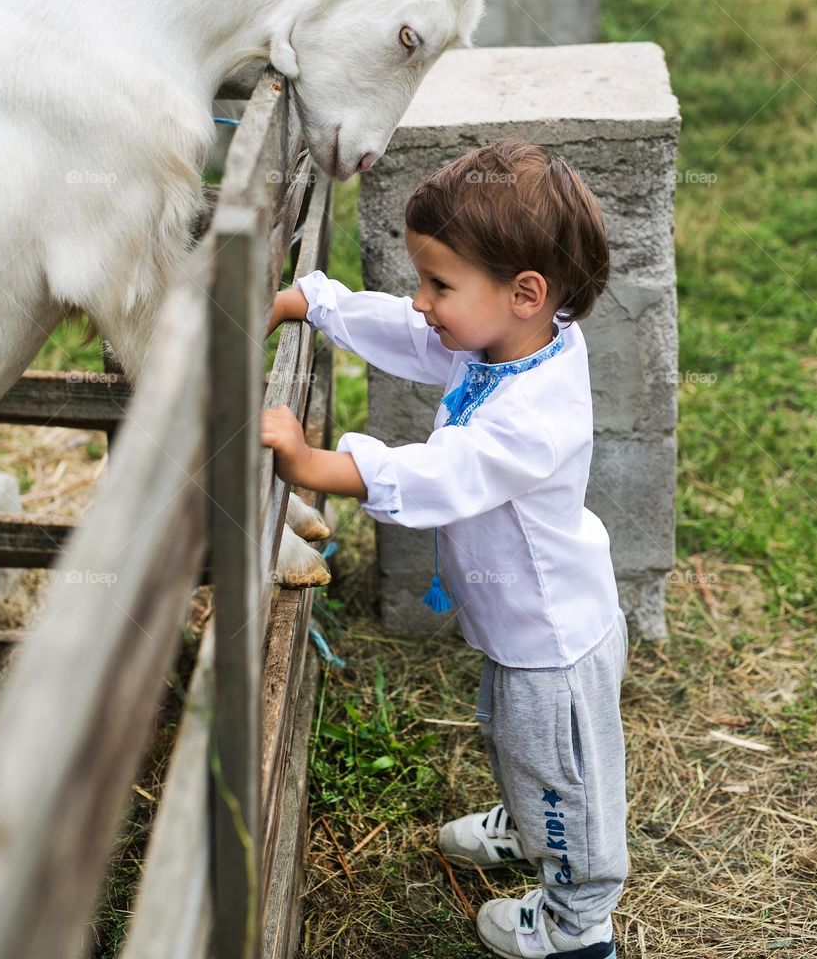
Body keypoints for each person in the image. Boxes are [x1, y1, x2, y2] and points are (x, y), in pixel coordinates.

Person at [261, 140, 628, 959]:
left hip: (552, 643)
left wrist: (319, 465)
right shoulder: (512, 340)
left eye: (438, 284)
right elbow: (413, 333)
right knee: (510, 734)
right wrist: (313, 304)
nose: (422, 301)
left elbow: (449, 472)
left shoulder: (535, 412)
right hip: (519, 628)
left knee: (564, 771)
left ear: (525, 292)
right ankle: (531, 819)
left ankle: (578, 919)